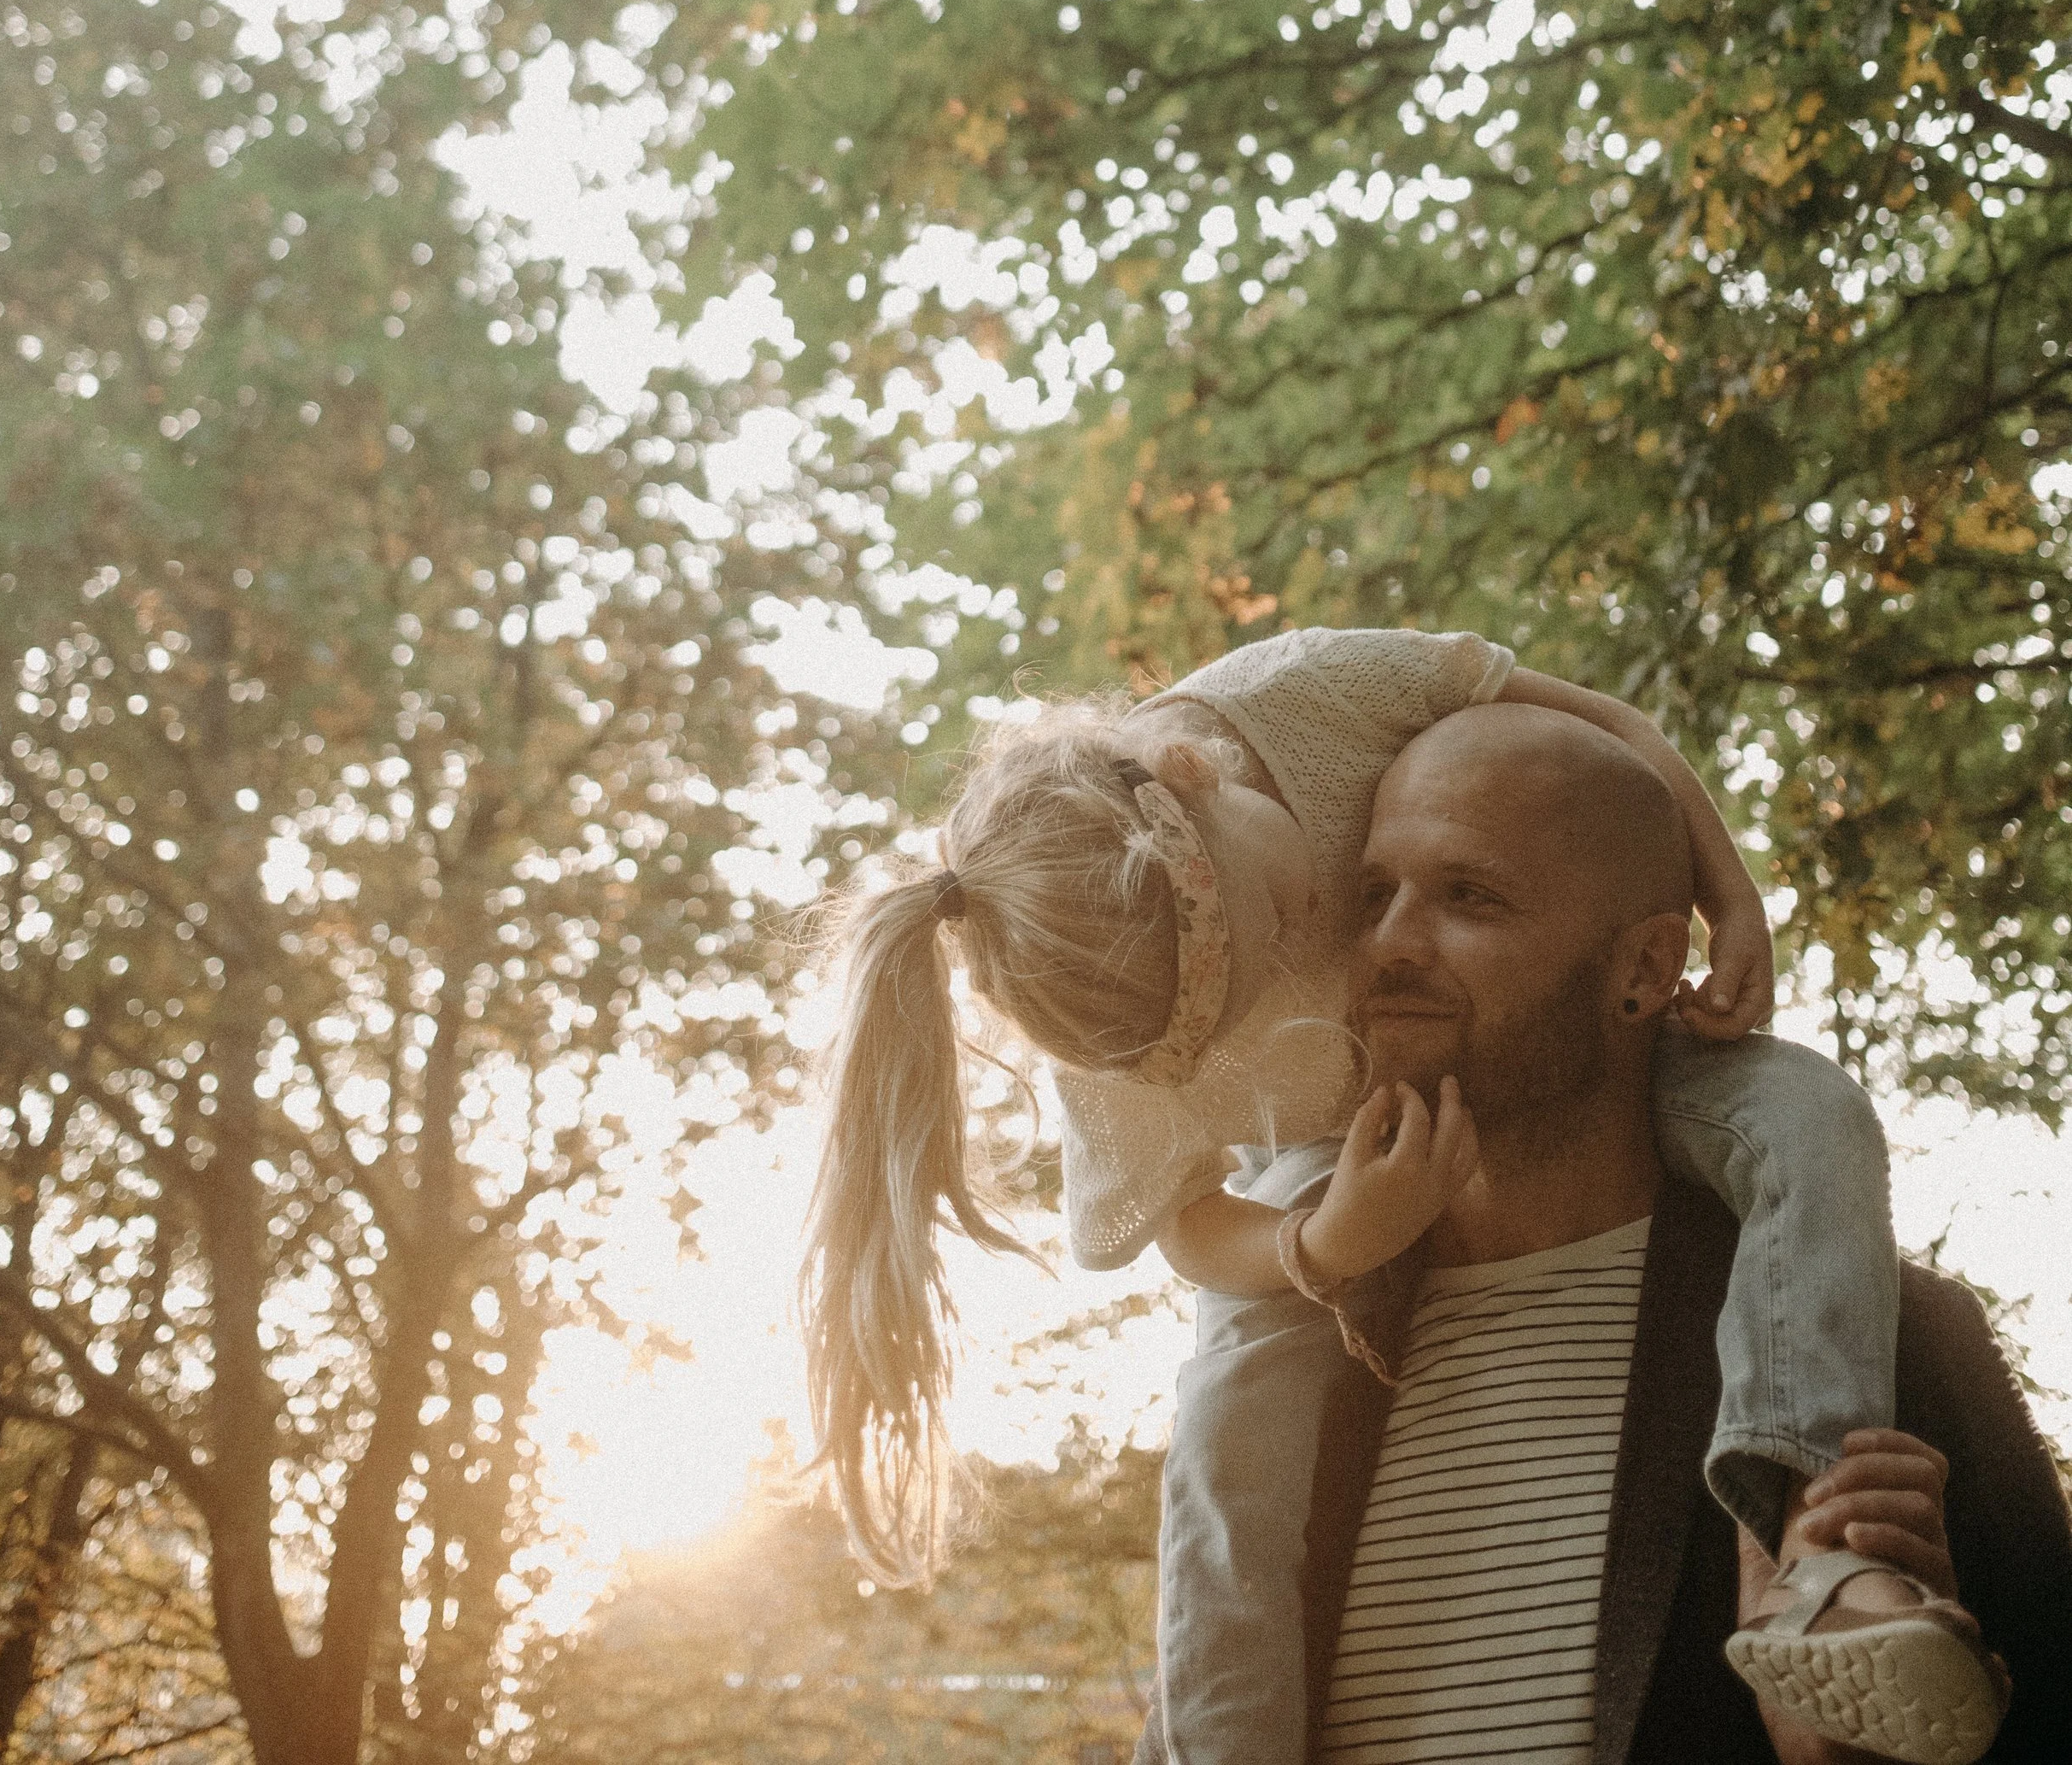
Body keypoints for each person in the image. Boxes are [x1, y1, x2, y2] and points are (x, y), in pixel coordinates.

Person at [798, 630, 1964, 1756]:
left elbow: (1606, 727)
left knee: (1811, 1113)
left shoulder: (1317, 689)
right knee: (1232, 1402)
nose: (1365, 948)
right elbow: (1186, 1227)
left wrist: (1734, 897)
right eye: (1366, 895)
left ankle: (1805, 1545)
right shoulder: (1100, 985)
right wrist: (1320, 1243)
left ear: (1193, 775)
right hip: (1320, 1176)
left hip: (1663, 1177)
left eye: (1468, 893)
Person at [1134, 707, 2070, 1764]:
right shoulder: (1289, 1369)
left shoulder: (1880, 1341)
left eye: (1467, 897)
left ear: (1642, 969)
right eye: (1370, 895)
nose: (1388, 943)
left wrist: (1863, 1744)